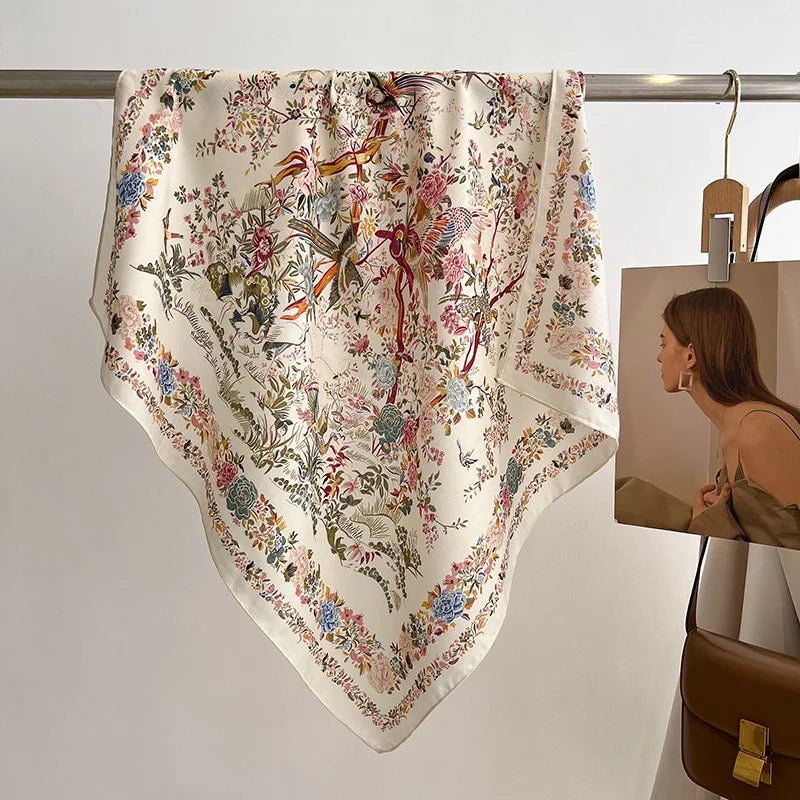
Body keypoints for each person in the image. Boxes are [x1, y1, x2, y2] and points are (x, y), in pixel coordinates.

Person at [616, 286, 800, 548]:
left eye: (663, 344)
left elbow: (790, 553)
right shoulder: (736, 426)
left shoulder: (758, 428)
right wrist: (716, 516)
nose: (659, 356)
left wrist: (710, 523)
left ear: (690, 355)